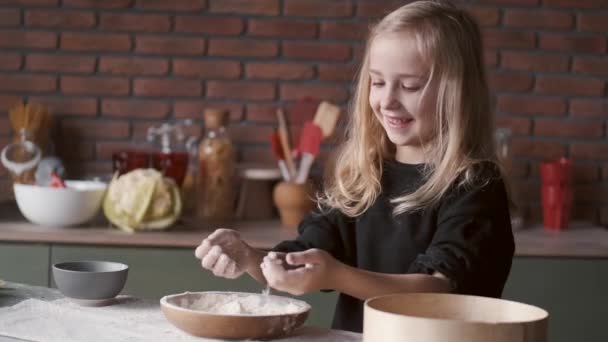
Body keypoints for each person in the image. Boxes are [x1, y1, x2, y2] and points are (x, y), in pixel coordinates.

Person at [194, 0, 515, 333]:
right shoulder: (366, 178)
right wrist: (250, 258)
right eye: (377, 82)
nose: (387, 100)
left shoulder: (476, 186)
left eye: (409, 86)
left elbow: (435, 292)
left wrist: (336, 274)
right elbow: (305, 257)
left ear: (457, 92)